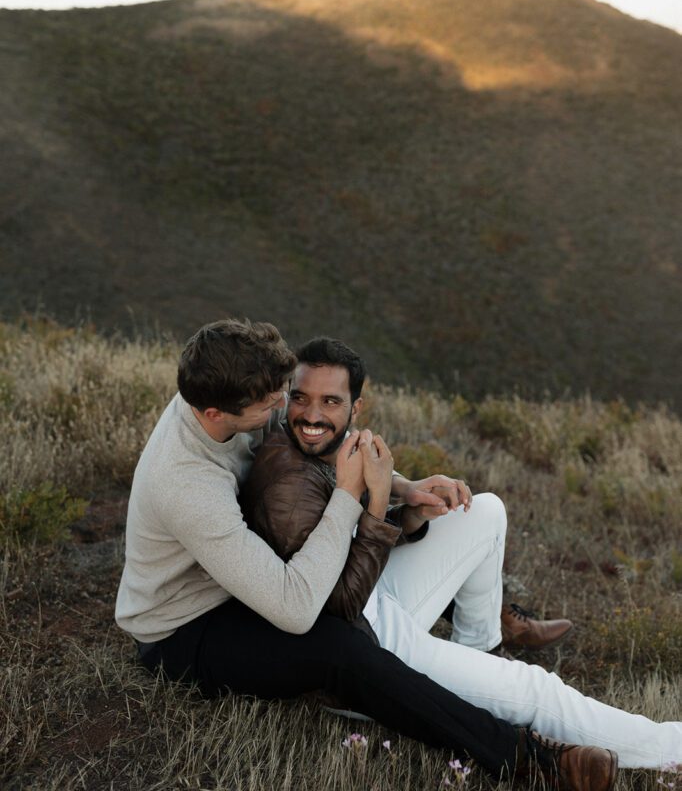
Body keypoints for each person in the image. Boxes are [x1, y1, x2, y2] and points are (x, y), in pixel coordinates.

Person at [116, 318, 619, 790]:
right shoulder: (187, 484)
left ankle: (491, 623)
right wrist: (349, 495)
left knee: (351, 568)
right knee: (339, 649)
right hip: (188, 625)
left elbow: (304, 445)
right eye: (270, 403)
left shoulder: (225, 387)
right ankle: (530, 760)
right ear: (213, 413)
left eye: (281, 393)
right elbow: (294, 611)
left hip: (241, 567)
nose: (281, 409)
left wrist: (401, 486)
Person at [241, 335, 682, 771]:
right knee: (534, 688)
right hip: (365, 648)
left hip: (374, 597)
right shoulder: (287, 491)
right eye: (300, 399)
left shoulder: (320, 443)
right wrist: (378, 502)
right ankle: (669, 748)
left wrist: (410, 507)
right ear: (287, 399)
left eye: (330, 402)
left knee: (484, 512)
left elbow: (351, 542)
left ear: (355, 407)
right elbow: (338, 608)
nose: (312, 415)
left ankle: (479, 650)